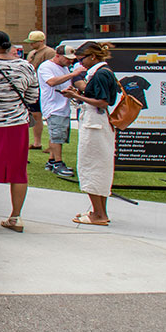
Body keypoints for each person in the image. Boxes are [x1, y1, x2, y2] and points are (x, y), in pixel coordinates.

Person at [63, 42, 119, 226]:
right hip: (98, 124)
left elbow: (102, 102)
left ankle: (99, 214)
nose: (80, 64)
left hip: (95, 125)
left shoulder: (101, 73)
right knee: (99, 166)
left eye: (82, 60)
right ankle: (99, 211)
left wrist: (76, 96)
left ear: (92, 57)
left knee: (92, 166)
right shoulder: (103, 72)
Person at [0, 30, 39, 233]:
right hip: (16, 124)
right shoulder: (25, 66)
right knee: (18, 172)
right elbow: (33, 96)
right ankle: (16, 216)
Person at [36, 43, 80, 179]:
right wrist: (74, 74)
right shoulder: (46, 66)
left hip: (62, 105)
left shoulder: (64, 67)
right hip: (53, 106)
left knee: (58, 135)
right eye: (67, 58)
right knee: (57, 136)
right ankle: (58, 163)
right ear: (58, 55)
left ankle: (51, 160)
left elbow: (63, 83)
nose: (70, 61)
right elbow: (52, 82)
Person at [24, 31, 58, 149]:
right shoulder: (32, 53)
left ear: (41, 41)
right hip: (33, 87)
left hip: (44, 87)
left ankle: (52, 144)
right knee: (35, 115)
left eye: (34, 42)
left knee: (48, 115)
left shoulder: (50, 52)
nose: (31, 45)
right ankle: (37, 142)